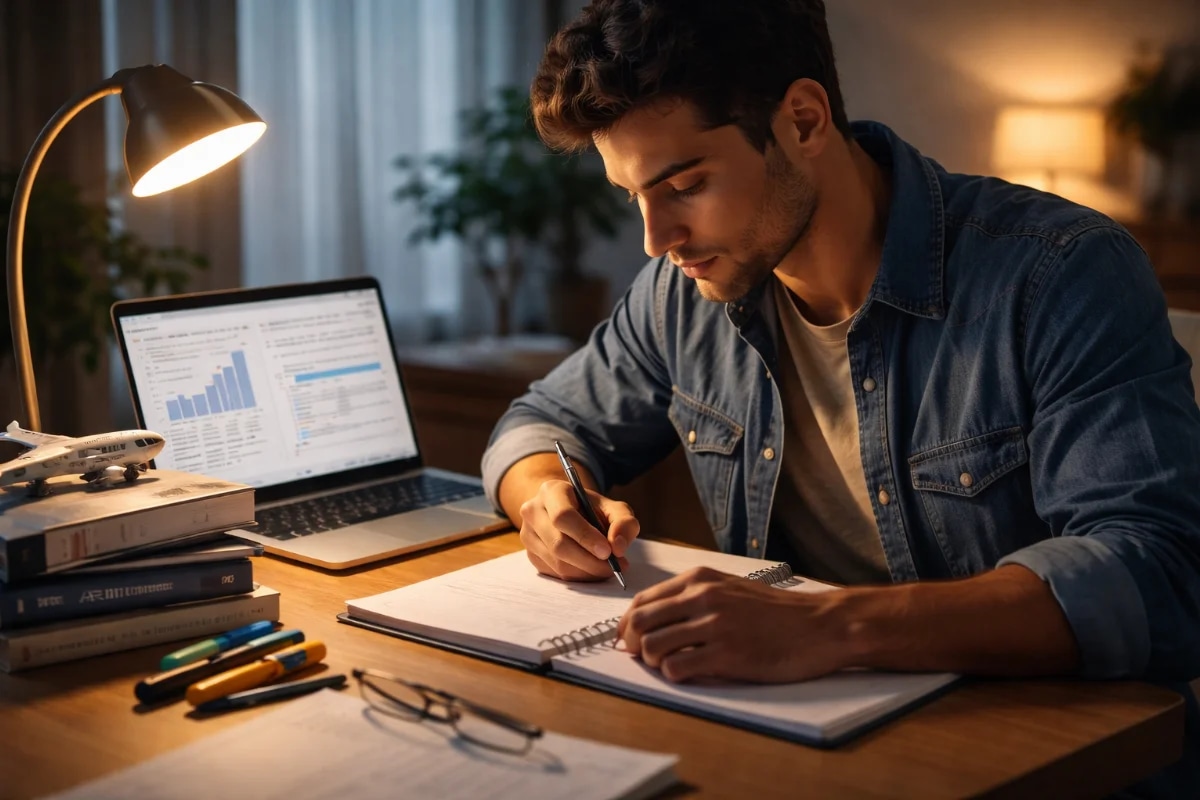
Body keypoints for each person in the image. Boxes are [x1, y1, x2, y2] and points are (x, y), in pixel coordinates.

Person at [480, 1, 1200, 793]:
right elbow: (540, 424)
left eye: (684, 184)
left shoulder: (1059, 275)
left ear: (803, 119)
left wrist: (829, 627)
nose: (656, 239)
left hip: (1045, 762)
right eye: (633, 197)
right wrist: (545, 496)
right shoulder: (681, 296)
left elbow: (1159, 571)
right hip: (800, 751)